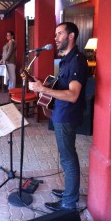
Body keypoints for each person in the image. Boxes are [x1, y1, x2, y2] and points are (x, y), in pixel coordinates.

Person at [28, 22, 88, 211]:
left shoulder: (77, 61)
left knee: (68, 158)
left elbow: (73, 95)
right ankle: (71, 192)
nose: (55, 38)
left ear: (71, 36)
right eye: (55, 34)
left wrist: (43, 89)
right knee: (67, 156)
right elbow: (61, 86)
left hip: (67, 115)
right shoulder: (66, 59)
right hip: (61, 112)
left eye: (60, 34)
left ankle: (69, 202)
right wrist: (43, 88)